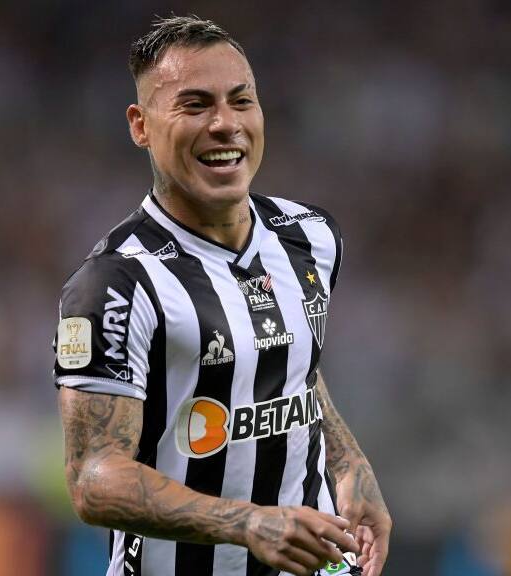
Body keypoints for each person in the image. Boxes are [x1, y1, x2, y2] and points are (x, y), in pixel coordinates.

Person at [53, 15, 391, 576]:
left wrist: (350, 466)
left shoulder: (311, 236)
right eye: (194, 105)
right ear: (140, 125)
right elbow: (94, 479)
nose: (224, 124)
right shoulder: (114, 283)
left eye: (241, 102)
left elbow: (289, 363)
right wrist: (249, 521)